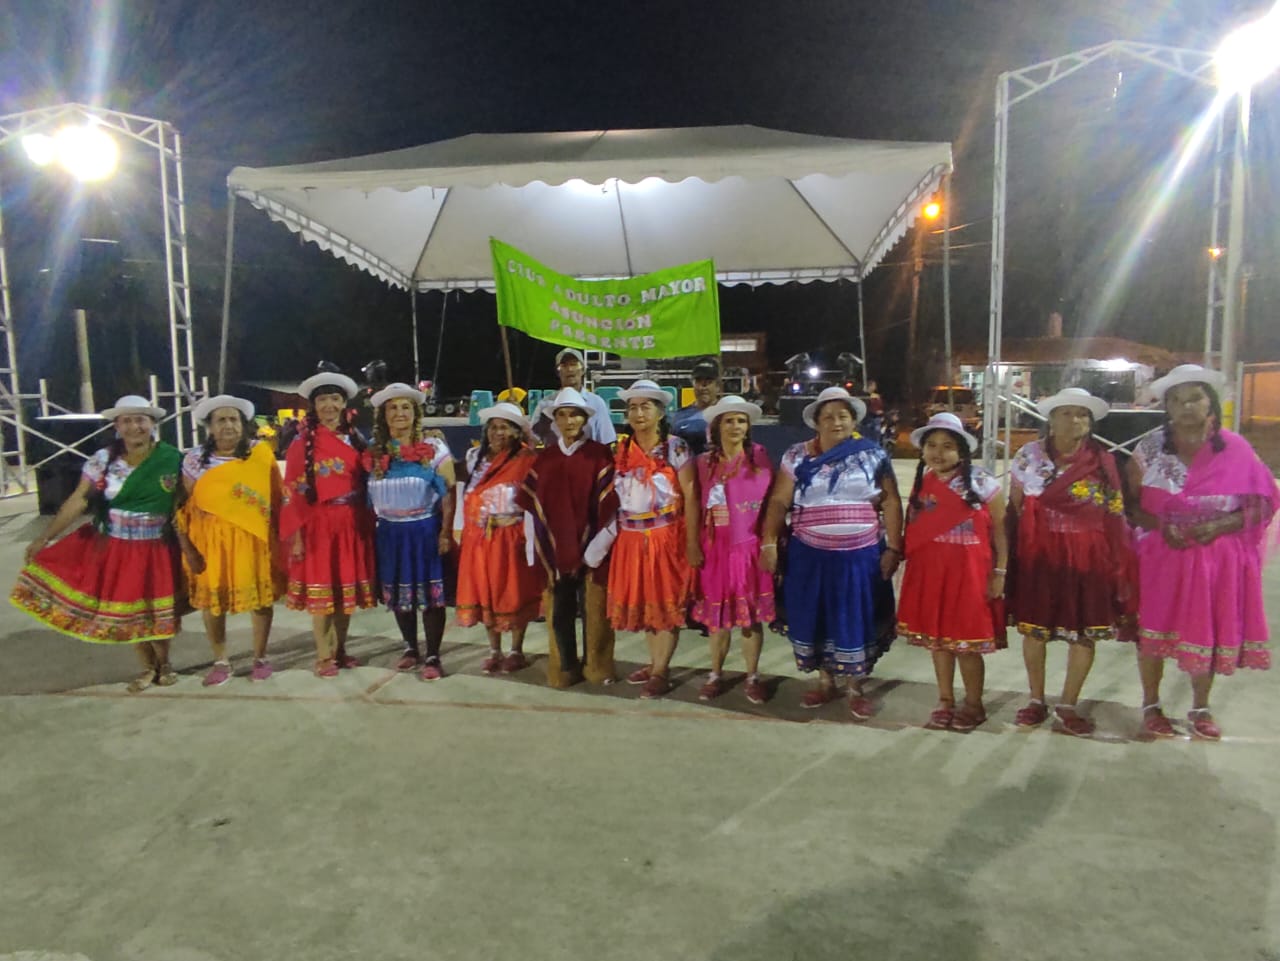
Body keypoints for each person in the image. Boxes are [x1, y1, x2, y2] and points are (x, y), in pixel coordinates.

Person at [1124, 364, 1276, 740]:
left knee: (1206, 630)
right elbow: (1130, 505)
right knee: (1153, 630)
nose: (1186, 406)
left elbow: (1263, 503)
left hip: (1216, 558)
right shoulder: (1148, 450)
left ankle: (1200, 707)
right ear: (1167, 408)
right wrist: (1161, 526)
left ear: (1211, 403)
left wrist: (1220, 526)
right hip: (1163, 554)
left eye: (1195, 398)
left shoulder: (1237, 449)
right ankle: (1151, 704)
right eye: (1177, 400)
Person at [11, 395, 184, 692]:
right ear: (117, 426)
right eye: (126, 421)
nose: (134, 426)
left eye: (140, 420)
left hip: (157, 545)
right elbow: (79, 499)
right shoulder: (103, 460)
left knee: (156, 607)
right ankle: (147, 666)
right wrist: (45, 537)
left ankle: (165, 663)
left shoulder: (173, 458)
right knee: (130, 607)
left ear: (153, 423)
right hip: (116, 545)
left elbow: (186, 498)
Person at [761, 386, 903, 720]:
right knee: (818, 614)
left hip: (861, 554)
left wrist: (894, 548)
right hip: (809, 553)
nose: (836, 422)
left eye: (843, 416)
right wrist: (769, 542)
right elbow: (780, 500)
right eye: (828, 417)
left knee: (856, 616)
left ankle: (855, 687)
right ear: (817, 422)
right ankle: (825, 682)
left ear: (854, 421)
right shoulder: (797, 455)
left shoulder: (872, 454)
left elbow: (891, 501)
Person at [1007, 387, 1136, 737]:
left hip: (1088, 557)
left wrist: (1117, 562)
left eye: (1082, 414)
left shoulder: (1104, 461)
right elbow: (1015, 507)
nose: (1075, 420)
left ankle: (1068, 704)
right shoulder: (1029, 456)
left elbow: (1114, 513)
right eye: (1066, 413)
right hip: (1040, 554)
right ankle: (1035, 699)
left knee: (1083, 633)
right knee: (1035, 631)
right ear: (1050, 419)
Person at [587, 379, 699, 699]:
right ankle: (654, 663)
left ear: (660, 413)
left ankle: (661, 670)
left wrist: (692, 541)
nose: (638, 413)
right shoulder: (620, 450)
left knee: (665, 605)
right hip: (631, 539)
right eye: (633, 407)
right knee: (648, 605)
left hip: (665, 537)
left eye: (645, 407)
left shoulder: (676, 448)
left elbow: (691, 494)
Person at [897, 413, 1007, 732]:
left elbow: (1001, 530)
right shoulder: (923, 483)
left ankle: (973, 703)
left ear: (961, 451)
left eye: (947, 446)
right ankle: (945, 700)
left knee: (967, 645)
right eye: (931, 445)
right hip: (931, 572)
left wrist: (1001, 570)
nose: (938, 452)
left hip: (970, 574)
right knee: (938, 643)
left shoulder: (983, 482)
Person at [176, 394, 286, 686]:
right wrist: (189, 548)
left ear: (243, 423)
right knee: (213, 604)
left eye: (234, 419)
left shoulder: (260, 453)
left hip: (254, 539)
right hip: (211, 543)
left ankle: (260, 657)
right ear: (210, 427)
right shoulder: (193, 460)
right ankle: (221, 660)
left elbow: (277, 497)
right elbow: (186, 506)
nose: (228, 425)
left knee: (260, 601)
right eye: (221, 420)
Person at [518, 387, 619, 688]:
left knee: (595, 610)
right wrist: (532, 546)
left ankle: (597, 666)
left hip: (594, 547)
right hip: (554, 551)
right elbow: (532, 507)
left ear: (585, 419)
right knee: (558, 611)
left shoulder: (599, 455)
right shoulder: (545, 459)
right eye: (562, 415)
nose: (569, 420)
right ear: (555, 421)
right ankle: (564, 667)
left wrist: (598, 547)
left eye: (575, 414)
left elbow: (612, 506)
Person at [280, 368, 378, 678]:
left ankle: (340, 649)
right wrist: (297, 537)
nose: (329, 406)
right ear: (314, 405)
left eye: (334, 399)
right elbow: (293, 491)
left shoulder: (357, 439)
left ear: (344, 403)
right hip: (318, 526)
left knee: (344, 594)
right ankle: (323, 655)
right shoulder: (301, 444)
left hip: (351, 523)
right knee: (322, 594)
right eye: (322, 400)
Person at [363, 383, 456, 680]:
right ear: (383, 415)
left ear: (415, 413)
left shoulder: (434, 448)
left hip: (424, 530)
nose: (399, 413)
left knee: (431, 595)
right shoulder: (375, 451)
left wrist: (445, 532)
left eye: (405, 407)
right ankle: (410, 648)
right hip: (389, 533)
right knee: (399, 593)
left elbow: (448, 494)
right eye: (392, 408)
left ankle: (433, 655)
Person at [689, 395, 774, 705]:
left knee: (750, 618)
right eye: (729, 421)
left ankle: (752, 676)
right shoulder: (703, 464)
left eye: (741, 421)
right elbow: (695, 505)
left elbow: (771, 505)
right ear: (717, 426)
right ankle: (715, 674)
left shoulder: (759, 459)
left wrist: (770, 544)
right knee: (717, 619)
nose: (735, 426)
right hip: (715, 550)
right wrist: (693, 544)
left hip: (749, 549)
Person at [454, 401, 544, 673]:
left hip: (511, 536)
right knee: (486, 593)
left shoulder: (527, 460)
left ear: (516, 432)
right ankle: (494, 650)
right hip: (479, 537)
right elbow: (462, 491)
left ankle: (516, 650)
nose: (498, 432)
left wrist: (523, 528)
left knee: (513, 591)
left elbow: (535, 500)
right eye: (493, 427)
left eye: (504, 427)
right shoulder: (475, 458)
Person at [530, 348, 617, 446]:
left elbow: (606, 441)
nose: (569, 369)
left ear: (583, 370)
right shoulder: (545, 405)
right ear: (558, 372)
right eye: (564, 366)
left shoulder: (596, 403)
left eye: (574, 364)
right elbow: (532, 440)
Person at [670, 356, 722, 456]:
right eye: (699, 380)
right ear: (693, 385)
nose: (703, 386)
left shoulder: (727, 415)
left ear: (718, 386)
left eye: (709, 381)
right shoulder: (679, 417)